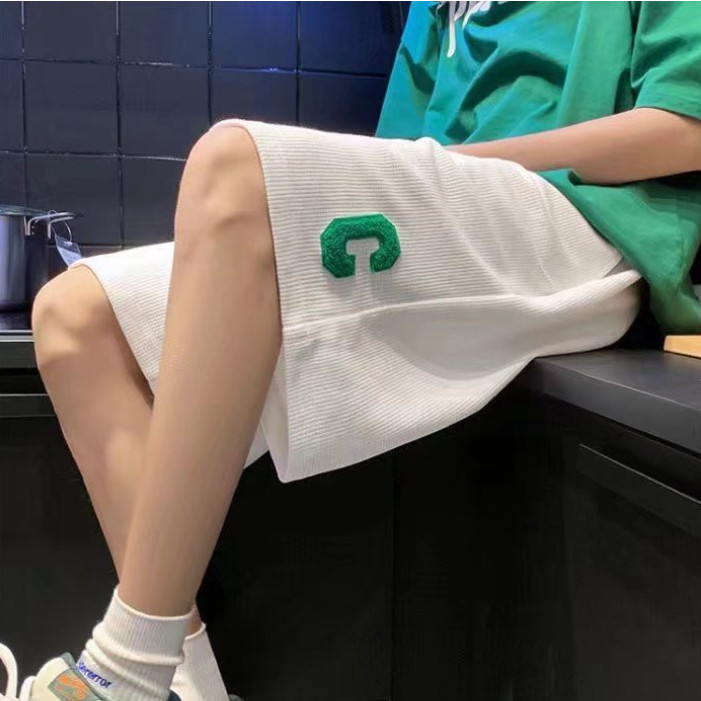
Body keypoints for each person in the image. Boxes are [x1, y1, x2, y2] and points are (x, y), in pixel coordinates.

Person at [2, 1, 701, 700]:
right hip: (468, 215)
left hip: (588, 222)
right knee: (73, 314)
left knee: (235, 167)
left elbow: (687, 127)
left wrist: (464, 164)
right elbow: (402, 150)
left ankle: (124, 671)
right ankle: (184, 687)